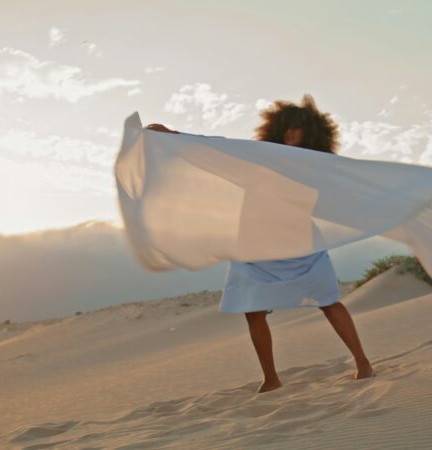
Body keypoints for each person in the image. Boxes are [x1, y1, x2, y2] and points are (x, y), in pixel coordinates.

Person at [146, 94, 374, 393]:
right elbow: (219, 149)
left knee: (328, 301)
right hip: (255, 245)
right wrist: (174, 136)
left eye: (297, 129)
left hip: (299, 245)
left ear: (311, 132)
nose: (290, 133)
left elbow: (337, 196)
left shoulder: (316, 167)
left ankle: (363, 363)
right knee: (253, 310)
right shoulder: (261, 158)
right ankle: (271, 378)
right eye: (287, 128)